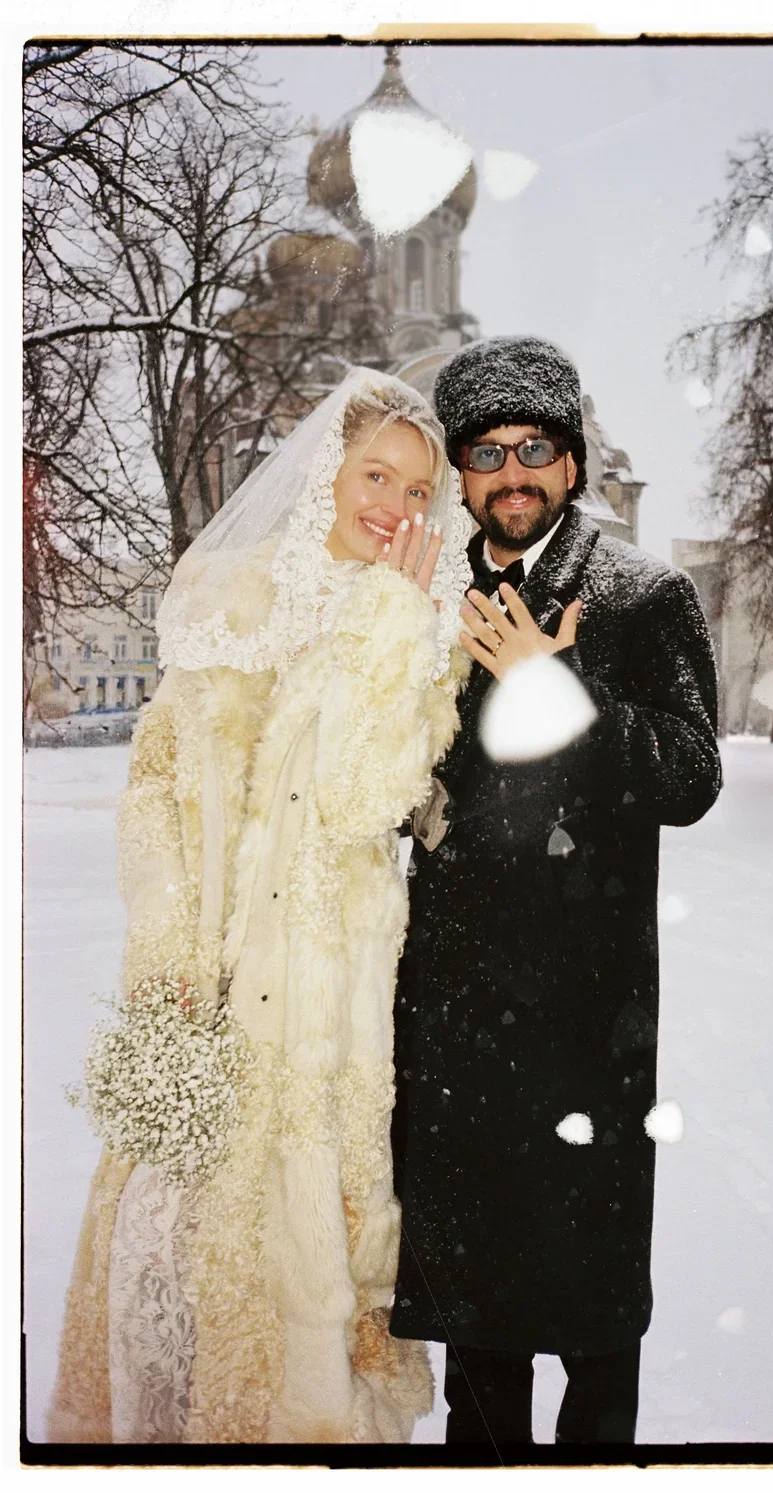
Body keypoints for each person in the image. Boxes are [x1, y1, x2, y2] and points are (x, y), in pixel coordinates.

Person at [48, 369, 474, 1446]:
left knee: (299, 1251)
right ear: (328, 468)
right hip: (204, 977)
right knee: (174, 1248)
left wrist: (390, 628)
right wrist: (164, 929)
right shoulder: (227, 595)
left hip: (329, 992)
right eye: (376, 472)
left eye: (419, 489)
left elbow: (358, 797)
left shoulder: (418, 625)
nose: (395, 503)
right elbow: (152, 781)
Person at [389, 336, 723, 1448]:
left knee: (587, 1317)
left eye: (536, 447)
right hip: (453, 1024)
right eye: (485, 452)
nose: (512, 472)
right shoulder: (426, 595)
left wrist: (555, 689)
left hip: (586, 1021)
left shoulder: (641, 594)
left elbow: (688, 776)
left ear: (573, 465)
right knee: (477, 1329)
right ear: (461, 473)